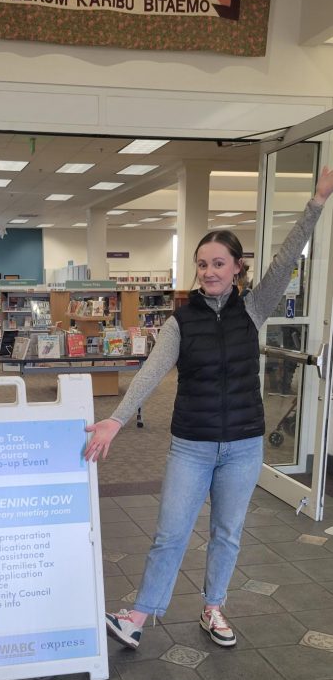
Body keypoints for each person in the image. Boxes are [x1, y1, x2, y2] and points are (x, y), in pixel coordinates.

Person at [85, 166, 333, 650]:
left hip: (243, 444)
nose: (209, 271)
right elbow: (152, 372)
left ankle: (213, 608)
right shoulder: (180, 321)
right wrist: (116, 419)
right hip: (192, 446)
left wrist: (316, 204)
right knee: (170, 533)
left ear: (237, 267)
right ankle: (138, 616)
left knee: (227, 533)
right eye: (202, 264)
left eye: (219, 263)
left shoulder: (254, 309)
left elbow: (285, 260)